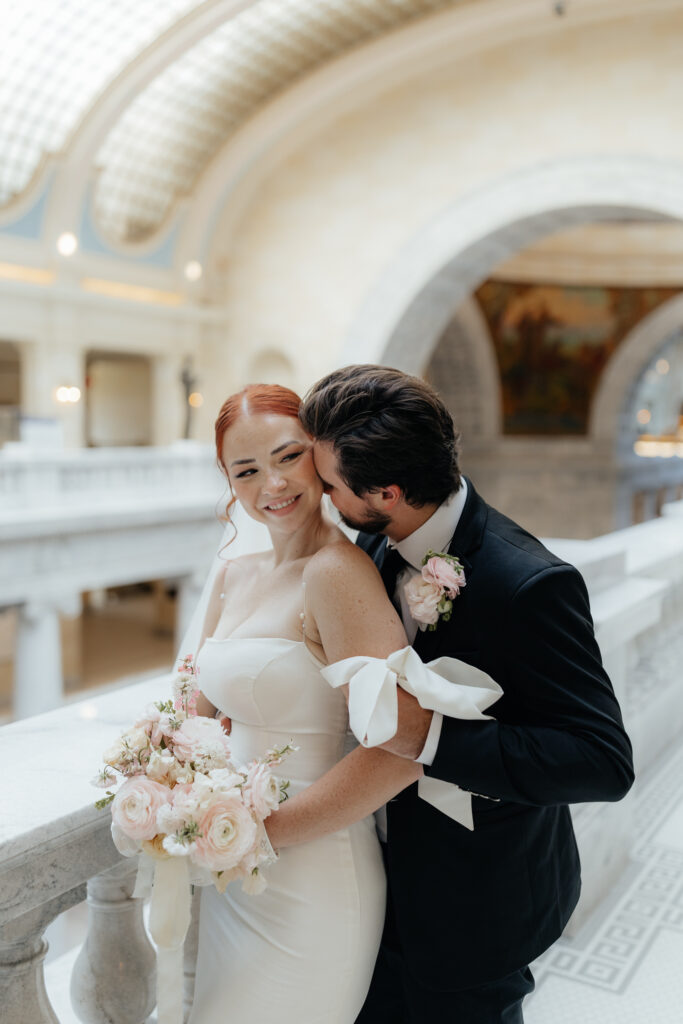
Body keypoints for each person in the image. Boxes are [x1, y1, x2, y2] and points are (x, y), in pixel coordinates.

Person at [267, 363, 633, 1024]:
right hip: (372, 888)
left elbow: (601, 762)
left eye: (328, 484)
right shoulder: (370, 544)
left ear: (388, 491)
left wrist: (431, 737)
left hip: (477, 903)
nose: (317, 495)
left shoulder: (528, 584)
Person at [188, 382, 491, 1023]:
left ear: (321, 457)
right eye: (246, 470)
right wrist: (171, 786)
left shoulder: (336, 572)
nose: (271, 483)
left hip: (310, 871)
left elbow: (400, 752)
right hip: (232, 869)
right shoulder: (231, 574)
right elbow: (198, 710)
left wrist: (260, 835)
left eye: (287, 456)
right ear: (228, 482)